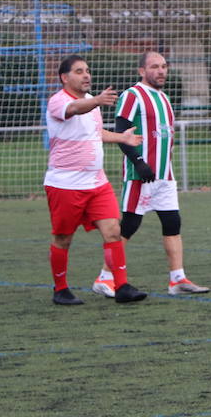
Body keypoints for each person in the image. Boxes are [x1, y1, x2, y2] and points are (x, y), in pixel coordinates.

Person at [91, 51, 210, 298]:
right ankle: (105, 277)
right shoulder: (132, 95)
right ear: (142, 71)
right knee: (130, 226)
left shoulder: (164, 98)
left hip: (164, 176)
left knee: (172, 223)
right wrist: (139, 162)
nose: (161, 71)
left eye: (164, 66)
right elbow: (122, 133)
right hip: (140, 174)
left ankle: (177, 279)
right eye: (155, 66)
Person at [43, 54, 147, 305]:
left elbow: (95, 132)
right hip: (65, 184)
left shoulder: (91, 102)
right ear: (65, 78)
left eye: (87, 70)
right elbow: (74, 109)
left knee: (113, 231)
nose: (86, 75)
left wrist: (122, 138)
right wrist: (98, 100)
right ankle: (61, 289)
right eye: (79, 71)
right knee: (63, 238)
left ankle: (121, 286)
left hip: (97, 183)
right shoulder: (58, 101)